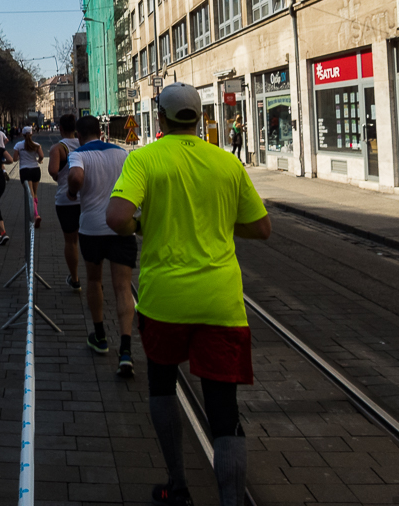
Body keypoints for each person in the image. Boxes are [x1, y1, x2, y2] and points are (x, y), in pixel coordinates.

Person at [105, 83, 271, 506]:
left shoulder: (144, 159)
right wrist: (218, 224)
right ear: (198, 118)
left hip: (165, 301)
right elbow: (261, 227)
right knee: (223, 407)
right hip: (221, 303)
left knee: (162, 385)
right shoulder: (226, 163)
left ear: (159, 117)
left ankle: (176, 484)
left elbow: (118, 217)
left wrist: (142, 226)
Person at [66, 114, 135, 377]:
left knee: (94, 281)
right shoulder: (123, 153)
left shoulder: (80, 154)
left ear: (79, 135)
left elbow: (75, 177)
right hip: (120, 226)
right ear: (101, 132)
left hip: (92, 228)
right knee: (122, 287)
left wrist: (73, 193)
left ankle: (100, 336)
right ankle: (126, 349)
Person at [48, 114, 81, 292]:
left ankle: (75, 278)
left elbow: (53, 171)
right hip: (86, 198)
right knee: (89, 239)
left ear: (60, 128)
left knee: (71, 242)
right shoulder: (84, 144)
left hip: (65, 200)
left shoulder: (58, 148)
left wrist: (59, 176)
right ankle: (95, 278)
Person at [12, 126, 44, 227]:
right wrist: (39, 160)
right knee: (34, 193)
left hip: (25, 171)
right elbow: (42, 156)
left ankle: (36, 215)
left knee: (30, 194)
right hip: (35, 170)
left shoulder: (18, 145)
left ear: (22, 134)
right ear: (31, 134)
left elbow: (14, 159)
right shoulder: (36, 145)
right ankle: (34, 213)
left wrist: (21, 156)